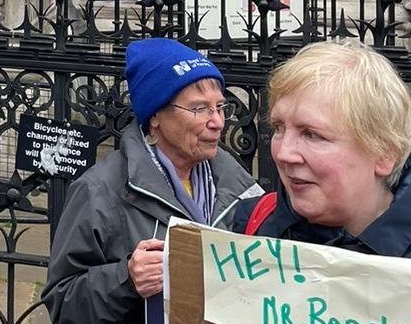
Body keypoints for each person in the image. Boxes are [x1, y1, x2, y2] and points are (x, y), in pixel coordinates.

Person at [42, 38, 261, 324]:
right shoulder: (99, 191)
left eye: (220, 107)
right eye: (199, 109)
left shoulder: (238, 184)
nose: (217, 121)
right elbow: (62, 303)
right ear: (156, 115)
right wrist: (127, 279)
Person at [230, 39, 411, 256]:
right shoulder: (252, 223)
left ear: (384, 153)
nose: (283, 153)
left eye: (311, 134)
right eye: (279, 127)